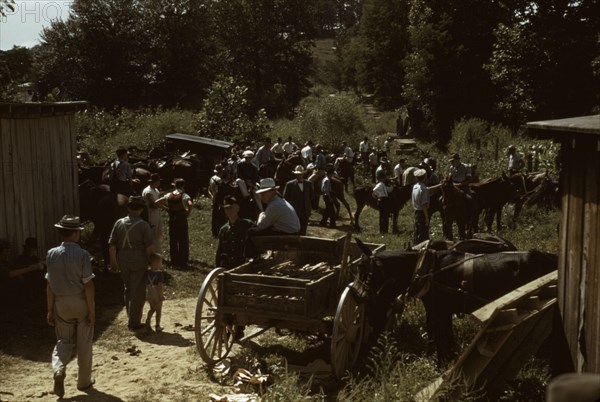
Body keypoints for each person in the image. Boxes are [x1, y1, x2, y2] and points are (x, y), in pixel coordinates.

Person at [45, 215, 95, 398]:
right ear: (76, 233)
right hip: (80, 300)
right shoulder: (82, 255)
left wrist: (50, 309)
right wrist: (91, 310)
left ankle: (59, 369)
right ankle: (84, 381)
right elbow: (88, 284)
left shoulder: (51, 254)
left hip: (60, 302)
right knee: (84, 341)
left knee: (63, 340)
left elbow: (49, 285)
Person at [109, 196, 155, 330]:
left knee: (127, 288)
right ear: (141, 210)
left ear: (128, 208)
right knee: (138, 290)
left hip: (122, 257)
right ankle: (134, 321)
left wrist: (114, 262)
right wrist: (153, 263)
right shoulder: (143, 225)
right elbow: (150, 247)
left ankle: (131, 315)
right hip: (138, 258)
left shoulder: (119, 223)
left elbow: (112, 245)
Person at [157, 178, 193, 268]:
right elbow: (190, 204)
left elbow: (157, 202)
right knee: (183, 240)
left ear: (175, 185)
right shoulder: (184, 195)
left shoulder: (169, 195)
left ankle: (174, 261)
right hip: (181, 219)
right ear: (183, 186)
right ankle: (183, 261)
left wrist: (167, 209)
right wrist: (187, 213)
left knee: (173, 239)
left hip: (172, 218)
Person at [215, 195, 254, 268]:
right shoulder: (224, 230)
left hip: (244, 266)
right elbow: (219, 252)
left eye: (231, 208)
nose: (229, 211)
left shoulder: (248, 225)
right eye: (226, 209)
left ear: (237, 208)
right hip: (228, 267)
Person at [283, 165, 314, 235]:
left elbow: (311, 196)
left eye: (300, 174)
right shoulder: (289, 184)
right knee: (294, 230)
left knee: (303, 229)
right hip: (294, 211)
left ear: (303, 174)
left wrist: (307, 205)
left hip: (305, 211)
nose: (298, 176)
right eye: (297, 174)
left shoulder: (308, 183)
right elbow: (286, 198)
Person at [142, 173, 165, 254]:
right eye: (158, 181)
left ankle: (157, 252)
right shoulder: (148, 191)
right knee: (152, 234)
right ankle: (151, 252)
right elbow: (154, 205)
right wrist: (163, 199)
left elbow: (158, 204)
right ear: (154, 182)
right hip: (150, 214)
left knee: (158, 234)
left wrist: (167, 209)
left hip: (157, 214)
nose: (159, 183)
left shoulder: (156, 190)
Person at [145, 253, 165, 332]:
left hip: (149, 293)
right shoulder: (160, 274)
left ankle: (148, 319)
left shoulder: (148, 272)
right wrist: (161, 295)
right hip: (157, 294)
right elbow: (160, 286)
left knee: (152, 309)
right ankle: (157, 326)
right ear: (157, 263)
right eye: (161, 262)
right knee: (158, 310)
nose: (161, 264)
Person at [372, 168, 394, 234]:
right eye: (384, 178)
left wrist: (391, 185)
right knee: (383, 217)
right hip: (382, 201)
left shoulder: (383, 184)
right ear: (381, 178)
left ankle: (384, 231)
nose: (385, 179)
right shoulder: (380, 184)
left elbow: (389, 190)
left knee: (385, 216)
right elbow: (374, 191)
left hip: (384, 201)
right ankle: (382, 231)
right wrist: (378, 197)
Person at [412, 169, 430, 244]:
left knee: (417, 230)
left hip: (416, 211)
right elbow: (424, 205)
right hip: (422, 212)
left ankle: (416, 244)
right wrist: (427, 218)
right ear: (425, 177)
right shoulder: (424, 189)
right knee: (423, 233)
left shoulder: (415, 187)